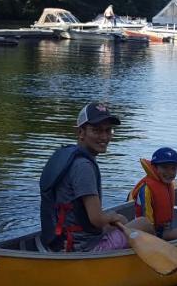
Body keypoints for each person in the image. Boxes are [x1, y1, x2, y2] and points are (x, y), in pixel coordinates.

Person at [39, 102, 154, 252]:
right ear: (81, 132)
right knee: (143, 223)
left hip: (61, 240)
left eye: (108, 130)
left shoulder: (68, 157)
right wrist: (113, 217)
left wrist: (113, 220)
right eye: (96, 130)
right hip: (82, 248)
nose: (104, 137)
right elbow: (96, 219)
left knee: (122, 221)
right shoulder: (83, 167)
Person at [129, 147, 177, 241]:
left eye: (173, 168)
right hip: (149, 233)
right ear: (155, 167)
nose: (170, 172)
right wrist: (155, 240)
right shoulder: (147, 188)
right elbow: (146, 220)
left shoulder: (166, 184)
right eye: (164, 167)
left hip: (163, 229)